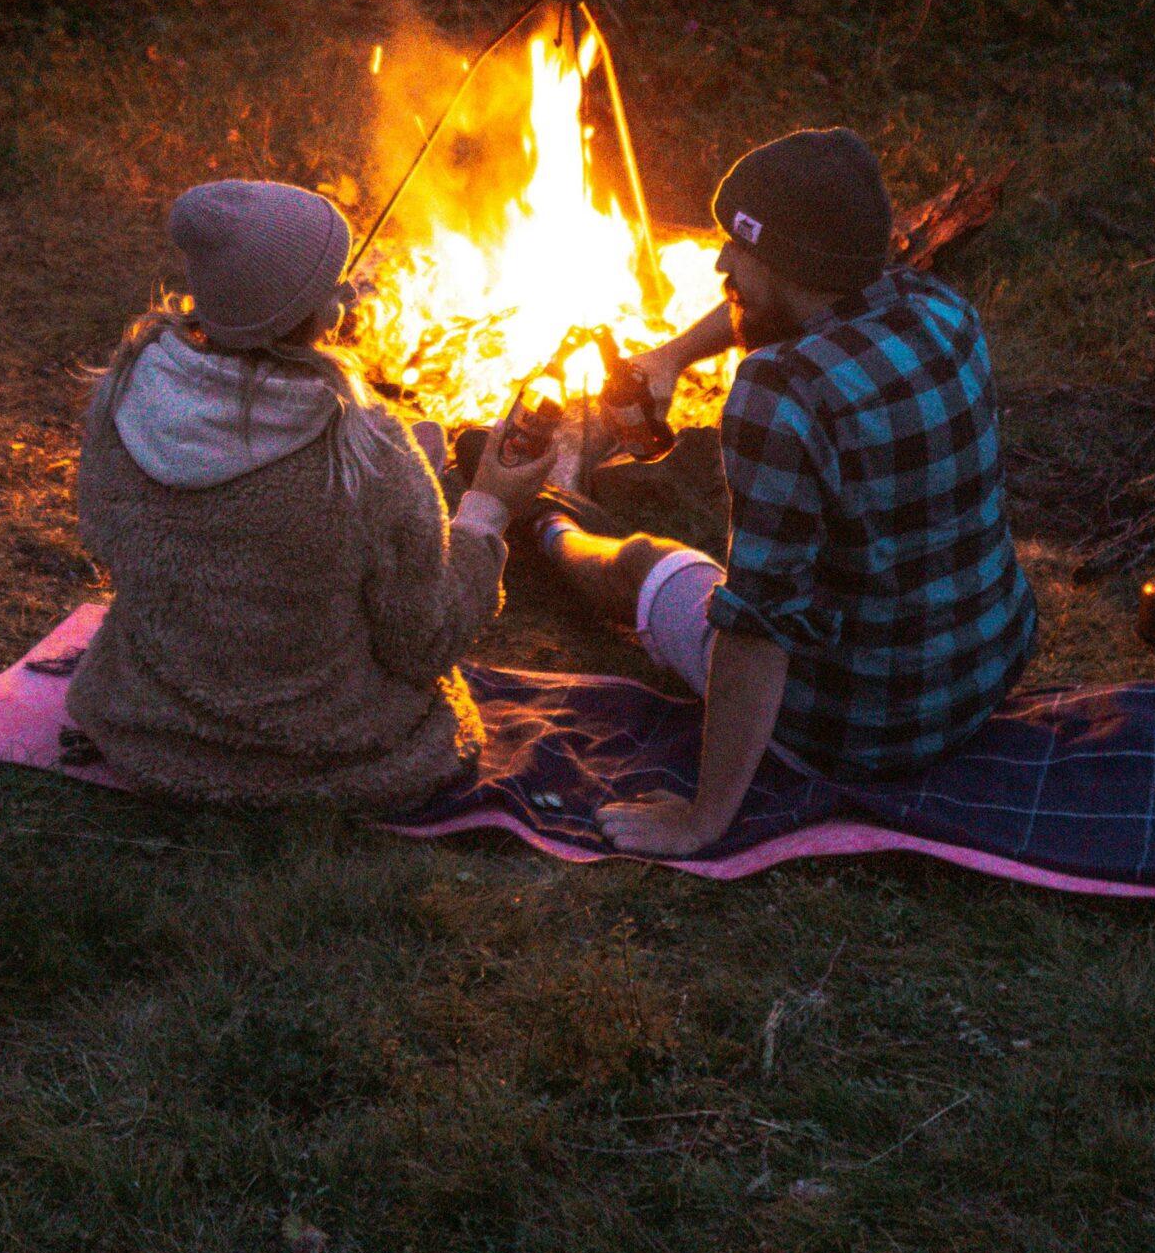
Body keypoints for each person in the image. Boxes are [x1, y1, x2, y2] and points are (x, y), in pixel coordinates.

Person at [535, 127, 1037, 856]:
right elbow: (774, 302)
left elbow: (756, 630)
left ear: (784, 263)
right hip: (982, 676)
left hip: (855, 730)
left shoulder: (779, 393)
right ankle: (556, 506)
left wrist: (703, 820)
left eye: (738, 251)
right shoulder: (938, 308)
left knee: (644, 560)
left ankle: (543, 518)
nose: (719, 263)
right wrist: (672, 355)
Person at [66, 178, 554, 808]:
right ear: (317, 314)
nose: (348, 292)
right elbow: (422, 641)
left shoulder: (124, 398)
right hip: (322, 754)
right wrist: (488, 508)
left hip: (150, 733)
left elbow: (127, 539)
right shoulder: (362, 457)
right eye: (333, 280)